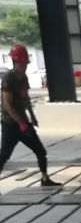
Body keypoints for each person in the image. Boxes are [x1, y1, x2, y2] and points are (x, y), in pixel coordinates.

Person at [0, 44, 59, 189]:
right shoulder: (8, 78)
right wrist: (19, 122)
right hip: (10, 124)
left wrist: (31, 116)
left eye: (26, 64)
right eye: (22, 64)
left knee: (40, 151)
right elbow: (7, 103)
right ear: (15, 62)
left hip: (24, 123)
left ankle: (45, 178)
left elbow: (25, 98)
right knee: (4, 155)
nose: (24, 67)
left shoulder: (24, 78)